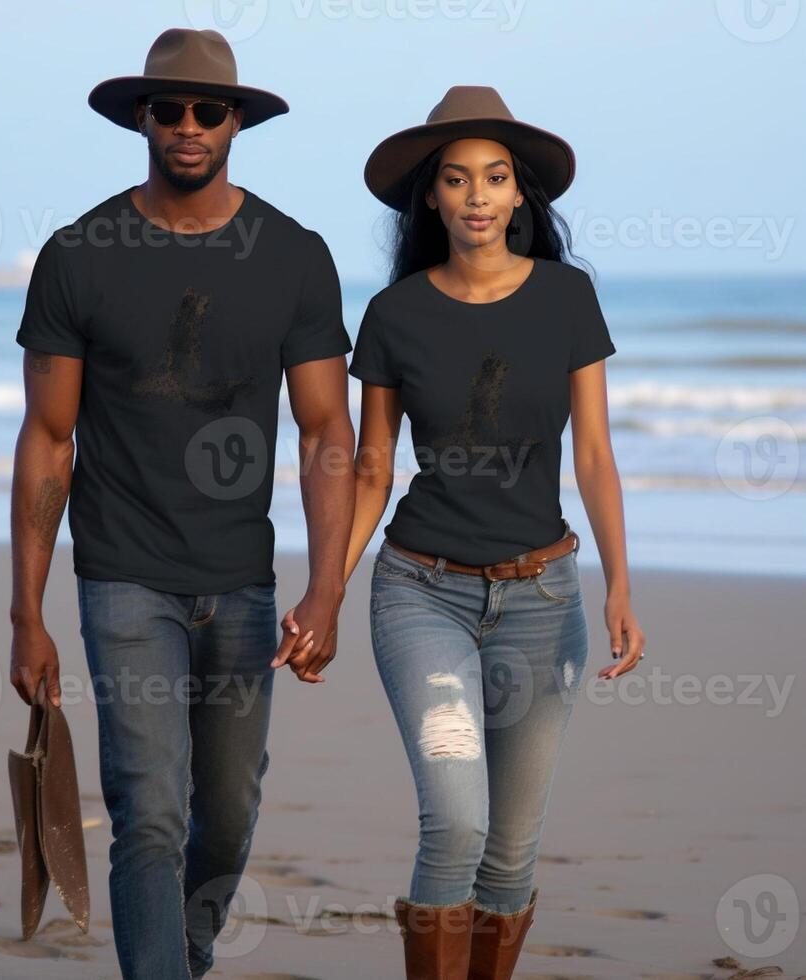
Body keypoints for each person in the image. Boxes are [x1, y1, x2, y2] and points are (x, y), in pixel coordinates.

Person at [9, 28, 354, 980]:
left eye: (209, 110)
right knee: (148, 811)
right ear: (142, 118)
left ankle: (186, 951)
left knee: (229, 814)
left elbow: (329, 433)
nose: (189, 126)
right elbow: (48, 439)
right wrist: (25, 614)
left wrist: (326, 590)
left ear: (237, 121)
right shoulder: (79, 254)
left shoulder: (294, 256)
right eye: (170, 109)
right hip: (122, 577)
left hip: (242, 583)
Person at [283, 85, 647, 979]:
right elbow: (372, 468)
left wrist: (621, 588)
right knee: (457, 821)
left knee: (511, 854)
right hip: (421, 591)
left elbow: (594, 456)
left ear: (521, 195)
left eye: (494, 177)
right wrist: (324, 591)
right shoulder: (396, 315)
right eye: (456, 180)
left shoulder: (567, 300)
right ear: (432, 198)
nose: (477, 195)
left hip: (543, 599)